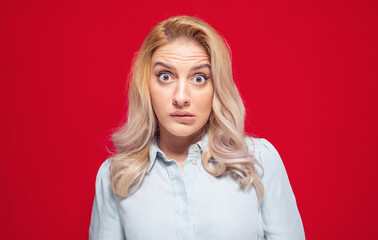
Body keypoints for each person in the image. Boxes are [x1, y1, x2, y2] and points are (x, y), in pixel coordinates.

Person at [89, 15, 305, 240]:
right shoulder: (116, 176)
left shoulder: (258, 161)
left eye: (199, 78)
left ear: (216, 87)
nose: (181, 97)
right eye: (165, 76)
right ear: (146, 87)